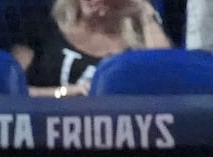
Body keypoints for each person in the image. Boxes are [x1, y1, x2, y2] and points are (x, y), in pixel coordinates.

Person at [11, 0, 171, 97]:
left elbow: (168, 82)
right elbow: (9, 92)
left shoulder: (140, 34)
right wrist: (62, 93)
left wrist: (144, 12)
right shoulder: (42, 23)